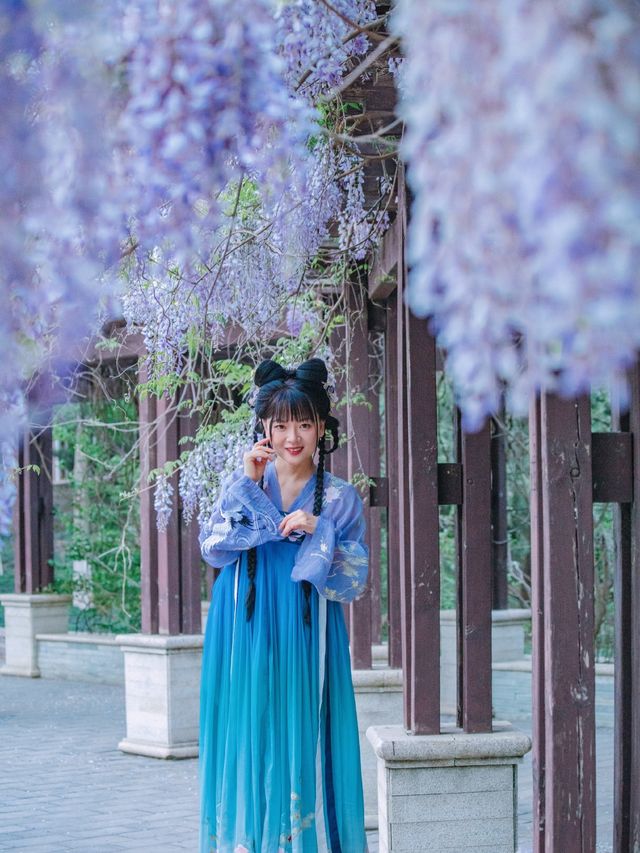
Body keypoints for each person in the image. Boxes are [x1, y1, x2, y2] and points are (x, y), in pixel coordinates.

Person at [198, 357, 369, 853]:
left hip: (305, 628)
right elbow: (212, 548)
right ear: (264, 429)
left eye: (304, 423)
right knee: (247, 732)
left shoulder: (338, 498)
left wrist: (322, 530)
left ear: (322, 428)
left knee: (302, 735)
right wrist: (246, 489)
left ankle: (299, 843)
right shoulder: (245, 484)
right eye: (281, 425)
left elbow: (353, 579)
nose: (292, 437)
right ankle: (248, 843)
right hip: (244, 624)